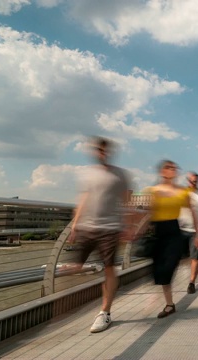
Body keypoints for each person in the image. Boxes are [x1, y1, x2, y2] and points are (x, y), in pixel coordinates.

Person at [68, 136, 132, 333]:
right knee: (75, 266)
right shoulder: (86, 174)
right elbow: (84, 199)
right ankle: (67, 306)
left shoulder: (120, 175)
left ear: (109, 152)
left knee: (109, 269)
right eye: (98, 149)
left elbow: (127, 200)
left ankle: (105, 312)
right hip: (87, 227)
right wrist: (74, 224)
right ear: (94, 151)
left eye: (104, 150)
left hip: (110, 228)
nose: (101, 153)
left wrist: (128, 225)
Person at [147, 160, 198, 318]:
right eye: (169, 168)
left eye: (175, 168)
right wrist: (135, 230)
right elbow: (147, 212)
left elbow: (193, 212)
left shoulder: (182, 192)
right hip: (157, 231)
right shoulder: (153, 190)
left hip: (173, 230)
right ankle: (169, 303)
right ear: (162, 171)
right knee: (160, 270)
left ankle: (163, 297)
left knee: (168, 266)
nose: (173, 170)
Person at [178, 172, 198, 294]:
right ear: (187, 181)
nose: (193, 183)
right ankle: (194, 270)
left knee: (195, 257)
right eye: (191, 181)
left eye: (195, 181)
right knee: (185, 257)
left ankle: (191, 282)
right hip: (181, 229)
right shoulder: (181, 194)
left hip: (197, 230)